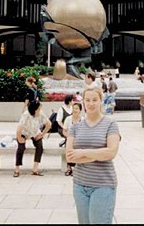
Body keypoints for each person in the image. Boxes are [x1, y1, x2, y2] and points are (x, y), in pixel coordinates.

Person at [66, 87, 121, 224]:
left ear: (101, 101)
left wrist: (83, 153)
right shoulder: (75, 127)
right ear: (83, 102)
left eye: (95, 100)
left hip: (103, 185)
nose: (91, 103)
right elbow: (69, 156)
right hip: (80, 185)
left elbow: (111, 153)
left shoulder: (110, 124)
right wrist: (99, 153)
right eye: (87, 100)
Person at [13, 100, 51, 177]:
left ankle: (35, 168)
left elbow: (48, 124)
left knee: (40, 146)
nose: (40, 110)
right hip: (24, 132)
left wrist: (42, 134)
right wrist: (20, 138)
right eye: (39, 109)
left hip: (35, 132)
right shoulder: (26, 114)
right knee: (21, 147)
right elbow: (19, 128)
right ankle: (17, 169)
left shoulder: (41, 114)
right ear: (34, 109)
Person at [62, 102, 83, 176]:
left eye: (77, 108)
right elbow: (64, 131)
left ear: (80, 110)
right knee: (69, 145)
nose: (75, 110)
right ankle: (69, 167)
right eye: (73, 108)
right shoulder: (68, 119)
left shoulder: (83, 120)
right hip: (69, 138)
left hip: (79, 139)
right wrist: (69, 137)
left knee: (77, 146)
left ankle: (74, 167)